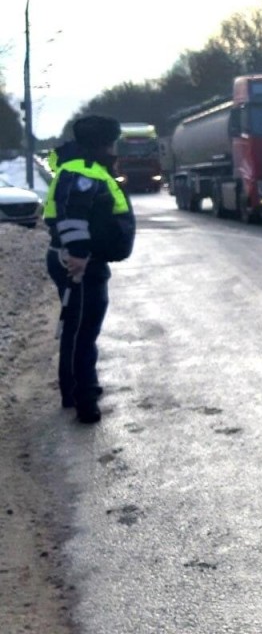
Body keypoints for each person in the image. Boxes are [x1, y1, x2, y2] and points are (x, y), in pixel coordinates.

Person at [44, 115, 136, 423]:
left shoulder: (86, 168)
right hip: (80, 263)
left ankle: (76, 388)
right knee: (83, 331)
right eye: (111, 143)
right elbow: (72, 215)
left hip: (86, 261)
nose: (114, 149)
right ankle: (83, 399)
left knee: (79, 328)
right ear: (100, 144)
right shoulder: (81, 172)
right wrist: (80, 255)